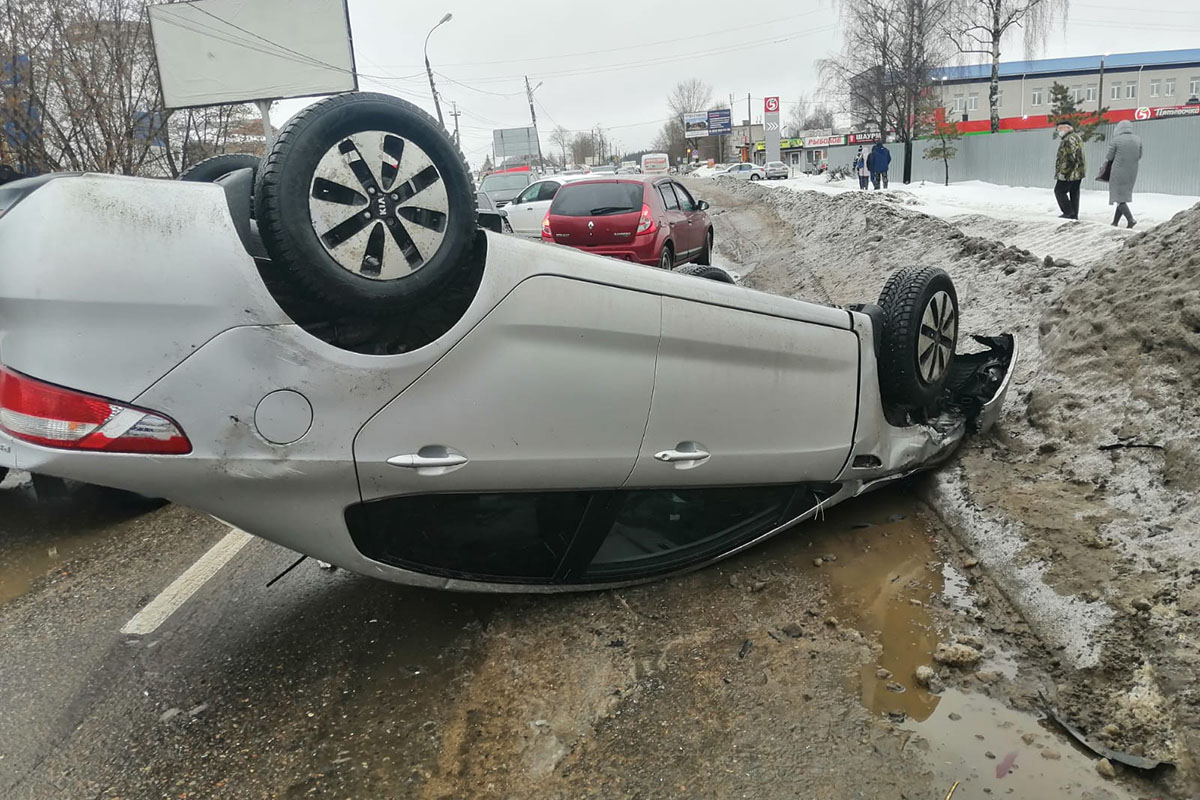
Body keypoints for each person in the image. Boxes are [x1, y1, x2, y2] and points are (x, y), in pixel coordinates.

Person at [1105, 120, 1142, 228]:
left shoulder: (1116, 140)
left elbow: (1109, 157)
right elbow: (1139, 155)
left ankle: (1130, 219)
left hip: (1118, 171)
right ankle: (1115, 222)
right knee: (1122, 196)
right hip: (1132, 171)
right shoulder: (1137, 139)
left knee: (1118, 196)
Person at [1053, 121, 1085, 220]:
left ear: (1068, 128)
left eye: (1060, 128)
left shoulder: (1068, 140)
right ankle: (1074, 213)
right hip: (1079, 171)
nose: (1059, 131)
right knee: (1074, 192)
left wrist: (1064, 172)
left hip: (1070, 172)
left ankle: (1068, 212)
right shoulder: (1077, 137)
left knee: (1059, 191)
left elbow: (1070, 157)